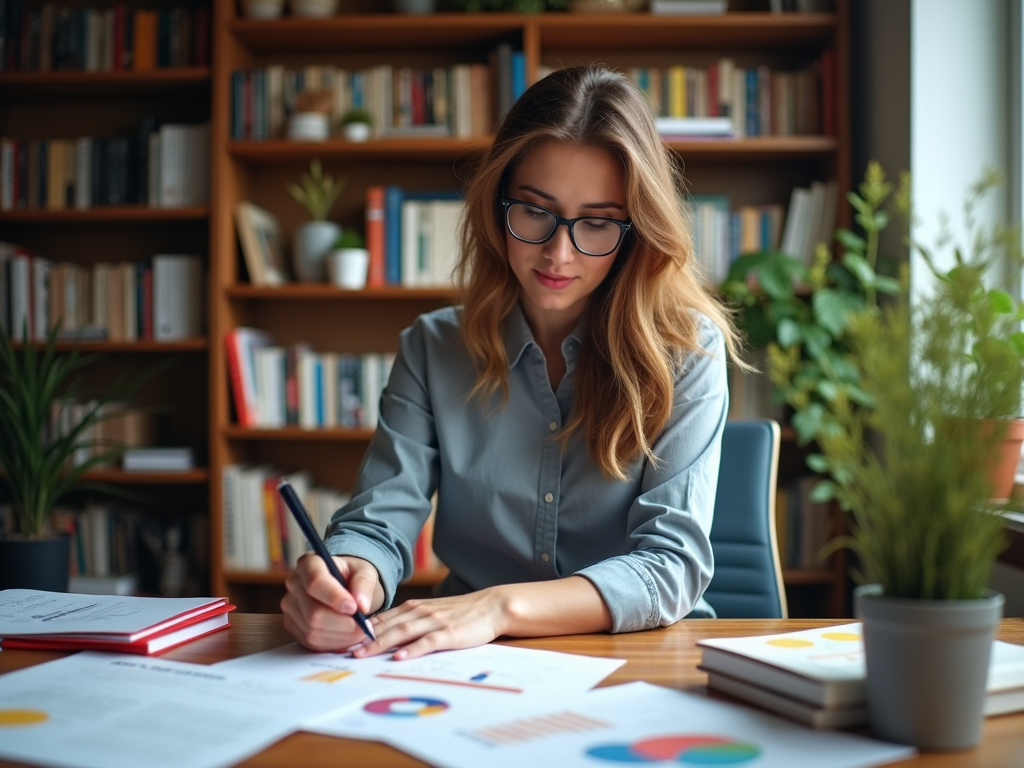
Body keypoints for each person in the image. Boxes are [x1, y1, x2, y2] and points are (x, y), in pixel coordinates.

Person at [282, 65, 740, 659]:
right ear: (497, 206)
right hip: (469, 663)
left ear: (636, 231)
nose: (558, 252)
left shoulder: (687, 354)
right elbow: (379, 523)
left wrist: (499, 606)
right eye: (534, 211)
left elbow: (670, 566)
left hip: (638, 656)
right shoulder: (432, 347)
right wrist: (350, 574)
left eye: (597, 222)